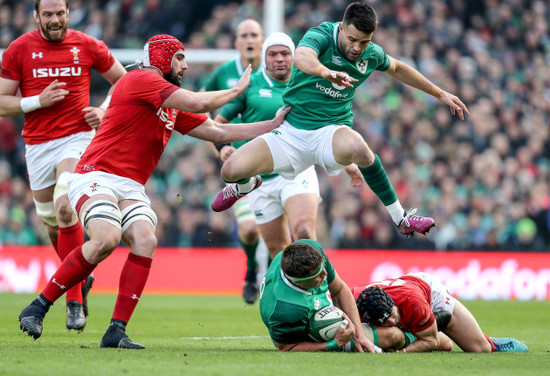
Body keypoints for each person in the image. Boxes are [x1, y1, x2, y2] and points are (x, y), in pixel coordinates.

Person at [17, 34, 289, 349]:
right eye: (180, 58)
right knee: (106, 238)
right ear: (161, 58)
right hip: (96, 175)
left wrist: (272, 124)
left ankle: (115, 331)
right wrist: (238, 89)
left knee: (146, 240)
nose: (185, 66)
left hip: (130, 186)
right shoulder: (139, 79)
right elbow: (200, 102)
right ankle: (38, 305)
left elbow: (218, 130)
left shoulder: (170, 104)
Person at [211, 2, 470, 238]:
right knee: (230, 171)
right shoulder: (322, 34)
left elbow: (398, 68)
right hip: (290, 132)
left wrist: (440, 93)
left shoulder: (372, 53)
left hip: (330, 131)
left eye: (365, 42)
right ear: (342, 28)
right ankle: (245, 186)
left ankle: (401, 218)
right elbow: (301, 57)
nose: (357, 48)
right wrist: (325, 72)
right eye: (352, 39)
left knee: (360, 149)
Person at [0, 0, 126, 331]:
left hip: (78, 139)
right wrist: (37, 101)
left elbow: (123, 82)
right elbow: (2, 102)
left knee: (66, 207)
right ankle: (80, 279)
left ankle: (74, 303)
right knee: (54, 225)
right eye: (48, 14)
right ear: (36, 16)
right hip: (38, 146)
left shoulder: (87, 44)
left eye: (60, 14)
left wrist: (103, 111)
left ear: (68, 14)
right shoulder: (19, 49)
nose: (55, 20)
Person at [202, 18, 265, 304]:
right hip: (240, 169)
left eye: (254, 34)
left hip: (276, 166)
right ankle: (252, 271)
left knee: (285, 236)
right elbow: (199, 109)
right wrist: (221, 146)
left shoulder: (277, 71)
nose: (250, 39)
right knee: (250, 229)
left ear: (262, 40)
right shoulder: (223, 74)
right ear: (237, 42)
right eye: (244, 35)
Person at [353, 272, 529, 353]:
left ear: (391, 302)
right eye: (385, 321)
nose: (392, 321)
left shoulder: (413, 304)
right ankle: (432, 325)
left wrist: (402, 353)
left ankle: (491, 342)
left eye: (391, 315)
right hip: (411, 304)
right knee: (447, 345)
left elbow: (431, 341)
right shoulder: (358, 302)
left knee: (479, 348)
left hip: (429, 293)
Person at [259, 239, 376, 352]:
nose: (325, 274)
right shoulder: (287, 310)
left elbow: (339, 289)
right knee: (391, 336)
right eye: (318, 275)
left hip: (312, 304)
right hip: (299, 330)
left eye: (322, 268)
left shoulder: (310, 248)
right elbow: (287, 347)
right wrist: (333, 344)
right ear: (299, 282)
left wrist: (360, 335)